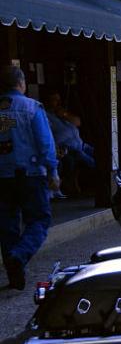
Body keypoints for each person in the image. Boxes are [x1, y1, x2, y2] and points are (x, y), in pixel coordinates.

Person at [0, 65, 59, 290]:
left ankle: (15, 277)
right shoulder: (32, 107)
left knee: (8, 225)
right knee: (39, 220)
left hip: (3, 176)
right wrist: (53, 171)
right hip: (31, 175)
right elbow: (45, 143)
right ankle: (20, 255)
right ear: (21, 83)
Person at [43, 92, 94, 195]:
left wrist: (64, 115)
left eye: (58, 100)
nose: (58, 102)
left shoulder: (63, 113)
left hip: (81, 145)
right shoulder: (45, 115)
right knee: (86, 159)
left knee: (104, 154)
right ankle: (102, 176)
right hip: (67, 149)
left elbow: (78, 122)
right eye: (54, 100)